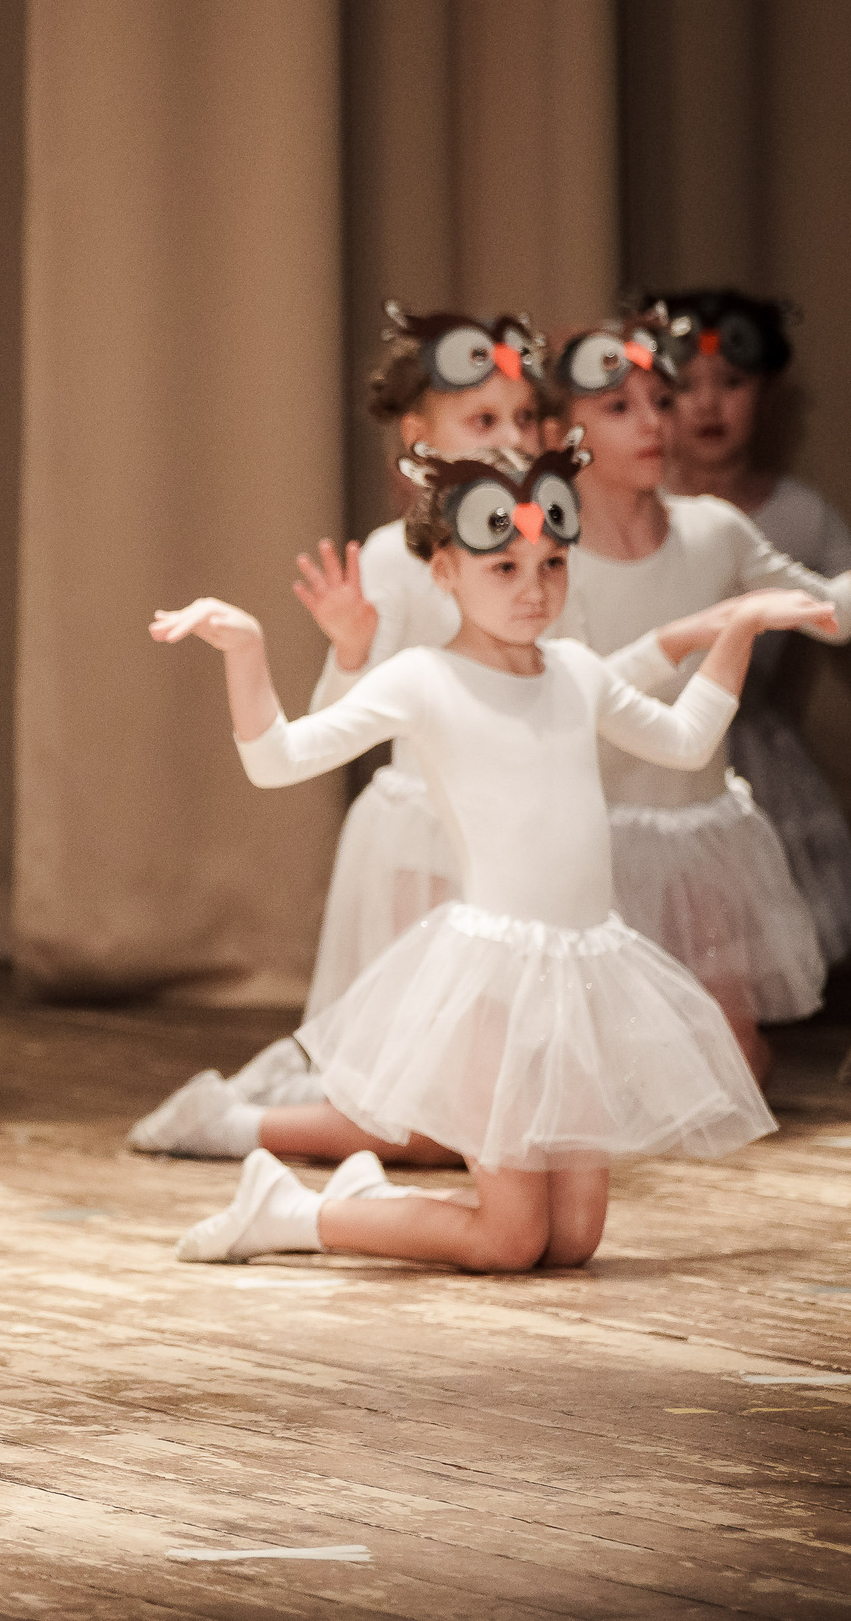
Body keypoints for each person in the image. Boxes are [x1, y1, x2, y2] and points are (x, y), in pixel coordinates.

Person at [154, 441, 807, 1273]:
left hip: (583, 970)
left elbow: (685, 741)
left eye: (553, 563)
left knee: (571, 1243)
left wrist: (740, 626)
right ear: (445, 573)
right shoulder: (424, 678)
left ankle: (352, 1200)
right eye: (503, 568)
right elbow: (276, 759)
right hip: (494, 982)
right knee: (508, 1240)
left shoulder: (576, 671)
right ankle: (300, 1211)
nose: (534, 589)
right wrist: (246, 650)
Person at [131, 304, 544, 1158]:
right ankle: (241, 1125)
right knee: (431, 1108)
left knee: (509, 1097)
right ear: (418, 441)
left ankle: (280, 1101)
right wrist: (353, 650)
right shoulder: (395, 558)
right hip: (423, 840)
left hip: (512, 837)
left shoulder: (543, 551)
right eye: (483, 419)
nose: (511, 438)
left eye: (525, 418)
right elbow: (324, 730)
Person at [552, 305, 851, 1082]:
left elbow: (834, 611)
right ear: (564, 430)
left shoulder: (715, 530)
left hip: (692, 831)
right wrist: (692, 633)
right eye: (619, 407)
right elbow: (567, 700)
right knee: (596, 1071)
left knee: (739, 1065)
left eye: (659, 400)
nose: (655, 422)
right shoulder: (550, 553)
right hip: (591, 835)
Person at [656, 288, 851, 972]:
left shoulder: (797, 513)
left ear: (767, 391)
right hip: (650, 734)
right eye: (682, 387)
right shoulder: (637, 508)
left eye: (730, 383)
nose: (707, 405)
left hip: (752, 748)